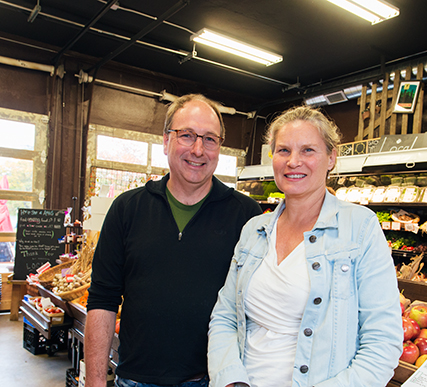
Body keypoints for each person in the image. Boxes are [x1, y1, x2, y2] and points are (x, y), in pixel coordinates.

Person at [207, 106, 403, 387]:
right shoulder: (254, 231)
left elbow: (383, 342)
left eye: (308, 150)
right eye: (284, 150)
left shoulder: (359, 227)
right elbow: (225, 316)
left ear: (331, 157)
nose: (293, 161)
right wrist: (230, 379)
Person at [85, 94, 262, 387]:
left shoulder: (246, 215)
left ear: (219, 148)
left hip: (213, 379)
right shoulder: (127, 209)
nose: (198, 149)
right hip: (136, 380)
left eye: (209, 139)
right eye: (187, 135)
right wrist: (94, 382)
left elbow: (256, 307)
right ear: (166, 141)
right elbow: (102, 300)